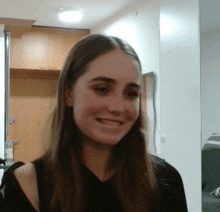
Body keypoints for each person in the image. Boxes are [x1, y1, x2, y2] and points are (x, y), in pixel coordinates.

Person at [2, 34, 188, 212]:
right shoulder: (28, 184)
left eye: (130, 93)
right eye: (102, 89)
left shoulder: (165, 181)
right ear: (68, 94)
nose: (118, 107)